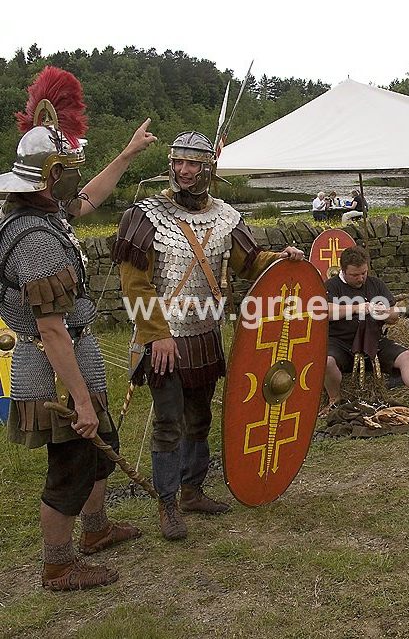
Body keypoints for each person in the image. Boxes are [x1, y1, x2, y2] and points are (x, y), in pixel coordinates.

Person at [0, 66, 156, 590]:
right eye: (66, 168)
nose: (73, 178)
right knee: (69, 468)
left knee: (97, 446)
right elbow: (52, 332)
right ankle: (58, 563)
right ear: (47, 176)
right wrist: (81, 400)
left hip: (75, 357)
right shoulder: (36, 240)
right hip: (52, 370)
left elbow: (88, 197)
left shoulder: (46, 211)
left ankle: (96, 530)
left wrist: (129, 153)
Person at [113, 131, 304, 541]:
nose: (184, 171)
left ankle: (192, 490)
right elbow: (136, 285)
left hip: (203, 335)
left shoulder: (225, 218)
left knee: (199, 419)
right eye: (178, 163)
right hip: (164, 339)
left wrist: (280, 260)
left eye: (193, 164)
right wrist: (156, 334)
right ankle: (167, 506)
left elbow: (249, 264)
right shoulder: (146, 215)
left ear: (207, 168)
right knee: (169, 423)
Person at [324, 245, 409, 419]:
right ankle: (334, 400)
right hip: (340, 342)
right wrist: (358, 308)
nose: (361, 278)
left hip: (373, 340)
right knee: (327, 361)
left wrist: (384, 313)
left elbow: (394, 316)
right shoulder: (331, 286)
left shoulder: (375, 284)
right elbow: (326, 312)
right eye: (355, 275)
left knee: (406, 356)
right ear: (343, 271)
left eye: (364, 273)